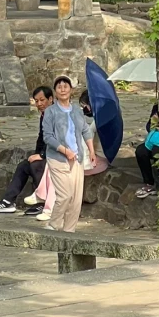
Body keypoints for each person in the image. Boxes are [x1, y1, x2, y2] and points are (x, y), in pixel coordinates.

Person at [41, 75, 96, 234]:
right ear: (55, 92)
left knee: (76, 199)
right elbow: (48, 136)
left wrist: (91, 150)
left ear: (71, 90)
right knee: (64, 195)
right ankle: (53, 224)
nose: (63, 89)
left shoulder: (77, 111)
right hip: (58, 158)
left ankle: (69, 230)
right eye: (59, 87)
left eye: (66, 86)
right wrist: (65, 151)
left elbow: (86, 131)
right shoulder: (50, 112)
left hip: (76, 159)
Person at [0, 84, 53, 214]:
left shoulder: (56, 115)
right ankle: (8, 201)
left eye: (42, 100)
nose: (39, 103)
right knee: (24, 166)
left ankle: (43, 202)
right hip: (46, 154)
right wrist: (36, 153)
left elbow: (56, 138)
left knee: (37, 165)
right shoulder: (43, 115)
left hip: (57, 156)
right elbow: (41, 138)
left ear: (50, 99)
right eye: (36, 101)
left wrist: (42, 155)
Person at [135, 104, 159, 200]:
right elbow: (148, 126)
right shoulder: (157, 106)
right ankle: (149, 183)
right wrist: (155, 124)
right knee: (140, 151)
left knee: (157, 152)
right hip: (155, 139)